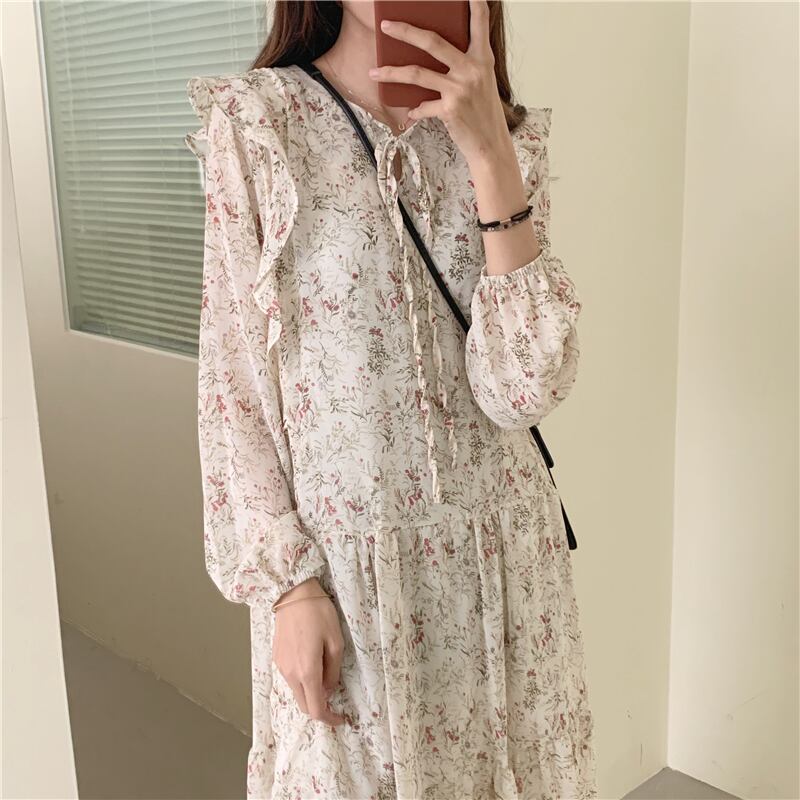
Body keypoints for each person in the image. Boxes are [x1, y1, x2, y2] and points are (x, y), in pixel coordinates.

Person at [184, 0, 598, 797]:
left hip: (508, 570)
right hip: (351, 585)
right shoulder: (262, 125)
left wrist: (490, 154)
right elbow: (233, 384)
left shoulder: (506, 136)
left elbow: (522, 388)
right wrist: (289, 585)